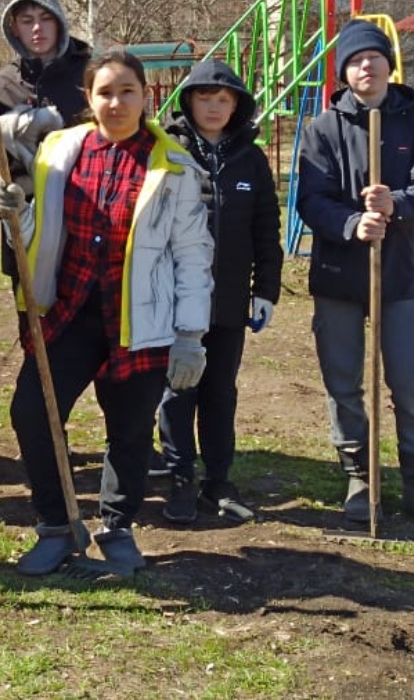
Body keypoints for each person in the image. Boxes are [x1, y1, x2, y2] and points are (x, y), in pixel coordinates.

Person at [0, 50, 213, 577]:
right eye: (105, 92)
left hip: (138, 322)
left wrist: (190, 334)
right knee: (32, 413)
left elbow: (192, 254)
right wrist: (14, 215)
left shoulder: (173, 167)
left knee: (130, 431)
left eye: (126, 91)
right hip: (68, 313)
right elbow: (38, 237)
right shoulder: (58, 152)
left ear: (145, 96)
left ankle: (117, 528)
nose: (116, 102)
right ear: (88, 99)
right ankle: (56, 525)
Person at [296, 19, 414, 529]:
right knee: (343, 380)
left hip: (400, 275)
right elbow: (311, 200)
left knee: (410, 382)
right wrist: (352, 224)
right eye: (354, 60)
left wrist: (395, 204)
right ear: (343, 72)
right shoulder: (322, 130)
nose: (365, 66)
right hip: (339, 276)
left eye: (373, 56)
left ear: (389, 64)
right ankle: (360, 478)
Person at [155, 59, 283, 525]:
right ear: (188, 102)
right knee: (177, 390)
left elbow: (266, 229)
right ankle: (179, 478)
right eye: (204, 98)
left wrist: (265, 289)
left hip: (228, 300)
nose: (213, 107)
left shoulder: (251, 159)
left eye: (223, 99)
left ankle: (218, 481)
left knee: (220, 392)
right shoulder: (168, 153)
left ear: (236, 106)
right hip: (175, 300)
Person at [0, 0, 91, 194]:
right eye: (27, 21)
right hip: (23, 206)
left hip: (86, 197)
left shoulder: (92, 75)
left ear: (59, 22)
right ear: (14, 28)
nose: (37, 28)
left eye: (46, 18)